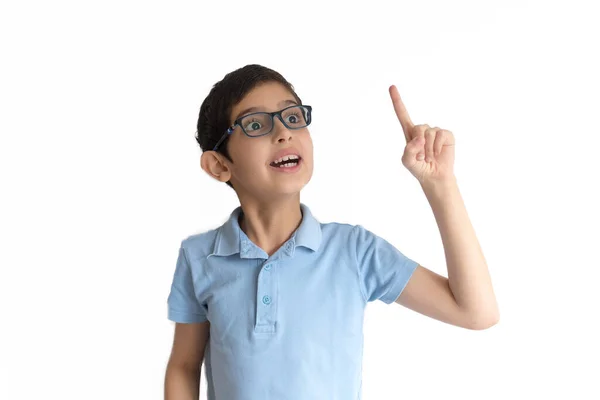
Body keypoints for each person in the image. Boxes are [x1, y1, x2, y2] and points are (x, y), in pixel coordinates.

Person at [164, 64, 499, 400]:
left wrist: (440, 185)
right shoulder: (199, 257)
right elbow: (184, 366)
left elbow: (476, 312)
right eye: (255, 124)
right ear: (219, 165)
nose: (283, 132)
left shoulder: (354, 251)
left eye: (292, 117)